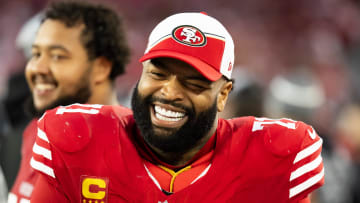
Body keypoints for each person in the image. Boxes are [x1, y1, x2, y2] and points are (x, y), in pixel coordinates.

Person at [30, 12, 324, 202]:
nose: (169, 92)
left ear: (223, 95)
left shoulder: (272, 156)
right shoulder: (78, 137)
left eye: (194, 83)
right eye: (157, 74)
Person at [8, 1, 131, 202]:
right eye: (36, 54)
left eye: (57, 56)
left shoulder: (132, 155)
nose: (37, 68)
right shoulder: (37, 132)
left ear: (101, 67)